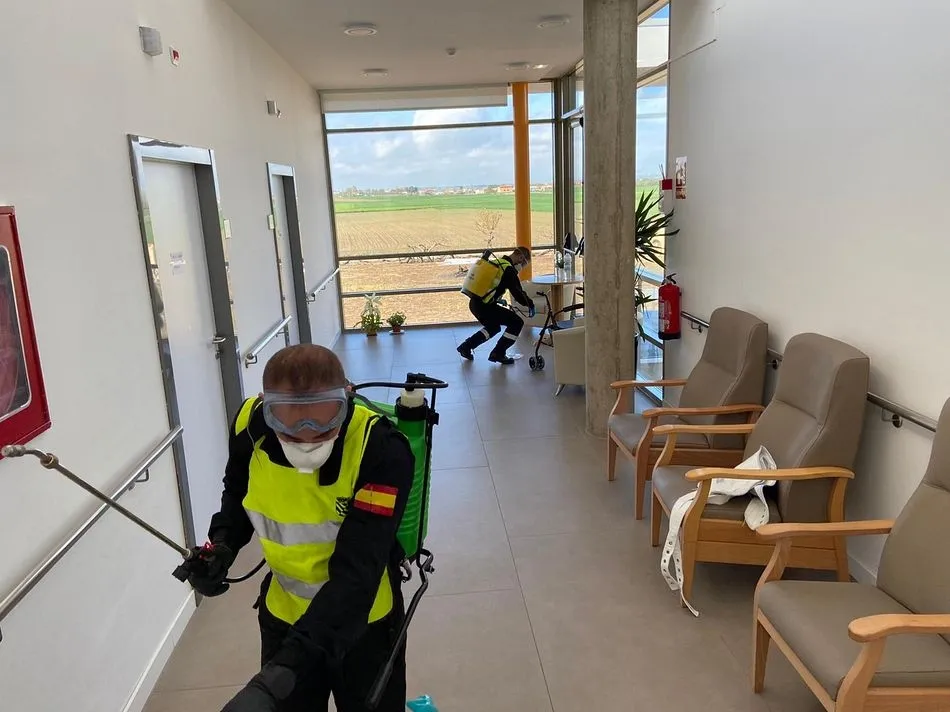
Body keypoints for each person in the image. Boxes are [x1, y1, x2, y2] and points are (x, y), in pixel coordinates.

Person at [183, 344, 415, 712]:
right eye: (289, 425)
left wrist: (279, 675)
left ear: (347, 398)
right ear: (265, 407)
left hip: (364, 625)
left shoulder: (381, 450)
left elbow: (359, 570)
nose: (307, 438)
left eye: (325, 422)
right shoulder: (249, 429)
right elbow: (238, 493)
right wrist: (222, 546)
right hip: (285, 614)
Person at [457, 246, 535, 365]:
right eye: (523, 264)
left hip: (475, 304)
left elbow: (491, 286)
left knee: (493, 327)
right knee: (516, 322)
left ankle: (466, 347)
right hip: (485, 307)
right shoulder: (508, 269)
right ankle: (498, 353)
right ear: (520, 257)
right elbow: (518, 293)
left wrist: (497, 300)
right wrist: (530, 304)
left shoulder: (497, 262)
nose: (521, 267)